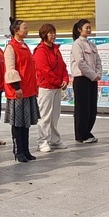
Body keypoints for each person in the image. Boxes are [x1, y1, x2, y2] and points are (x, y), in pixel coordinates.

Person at [4, 19, 39, 163]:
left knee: (26, 122)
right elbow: (10, 69)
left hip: (28, 89)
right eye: (24, 28)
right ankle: (18, 151)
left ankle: (26, 149)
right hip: (18, 90)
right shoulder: (11, 47)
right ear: (16, 31)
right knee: (18, 123)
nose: (27, 30)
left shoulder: (25, 46)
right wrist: (16, 87)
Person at [33, 23, 69, 153]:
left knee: (55, 115)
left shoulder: (55, 49)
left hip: (57, 87)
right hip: (46, 87)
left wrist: (65, 79)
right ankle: (42, 141)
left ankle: (55, 140)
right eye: (50, 33)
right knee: (45, 115)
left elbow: (63, 66)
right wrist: (59, 82)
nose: (53, 35)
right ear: (44, 34)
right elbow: (45, 70)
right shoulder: (40, 50)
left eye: (54, 32)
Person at [69, 19, 102, 144]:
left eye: (89, 27)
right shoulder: (77, 44)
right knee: (82, 108)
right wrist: (93, 75)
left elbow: (98, 61)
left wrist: (98, 74)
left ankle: (87, 132)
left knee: (92, 108)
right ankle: (81, 135)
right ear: (79, 30)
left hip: (92, 79)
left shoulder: (92, 45)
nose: (88, 30)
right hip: (81, 79)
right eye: (86, 27)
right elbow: (80, 62)